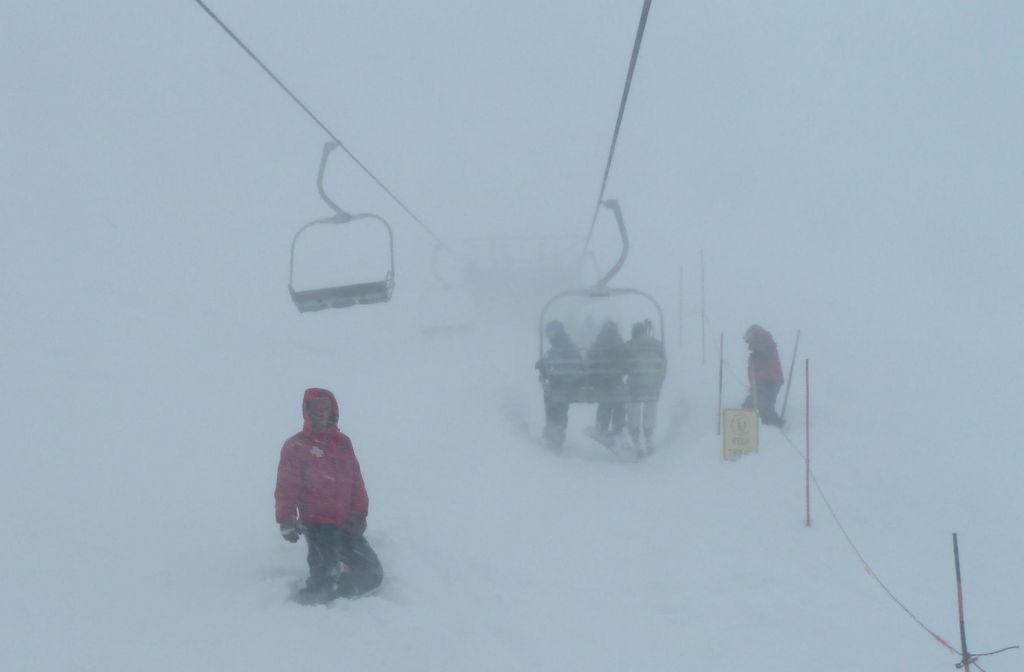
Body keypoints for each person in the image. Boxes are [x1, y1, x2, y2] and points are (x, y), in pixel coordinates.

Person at [275, 387, 383, 603]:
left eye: (326, 407)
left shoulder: (343, 444)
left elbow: (356, 481)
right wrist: (286, 519)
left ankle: (339, 596)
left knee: (373, 574)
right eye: (316, 407)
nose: (321, 412)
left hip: (345, 523)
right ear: (307, 410)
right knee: (324, 580)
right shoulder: (296, 446)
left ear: (333, 410)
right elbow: (287, 485)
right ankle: (302, 610)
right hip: (317, 526)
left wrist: (360, 513)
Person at [536, 320, 584, 449]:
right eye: (546, 332)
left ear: (556, 331)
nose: (547, 335)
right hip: (568, 380)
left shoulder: (562, 344)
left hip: (566, 382)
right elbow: (555, 360)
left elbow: (557, 363)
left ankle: (555, 432)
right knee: (555, 402)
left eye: (549, 332)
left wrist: (545, 366)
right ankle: (555, 431)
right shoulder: (562, 342)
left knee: (555, 401)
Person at [625, 319, 667, 452]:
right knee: (651, 405)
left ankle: (636, 437)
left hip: (636, 384)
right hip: (653, 384)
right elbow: (664, 365)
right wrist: (659, 381)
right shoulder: (657, 344)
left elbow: (623, 365)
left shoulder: (629, 345)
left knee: (634, 406)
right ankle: (649, 437)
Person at [587, 320, 629, 441]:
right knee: (618, 403)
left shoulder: (599, 341)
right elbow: (626, 361)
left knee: (605, 402)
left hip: (601, 381)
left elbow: (590, 359)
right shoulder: (619, 342)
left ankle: (601, 428)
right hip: (615, 380)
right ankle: (617, 430)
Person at [742, 325, 785, 427]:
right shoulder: (762, 343)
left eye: (748, 340)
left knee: (761, 405)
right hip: (767, 380)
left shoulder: (765, 341)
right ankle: (772, 426)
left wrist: (755, 356)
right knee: (764, 405)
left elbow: (766, 354)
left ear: (753, 335)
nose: (748, 343)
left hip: (769, 380)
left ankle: (777, 425)